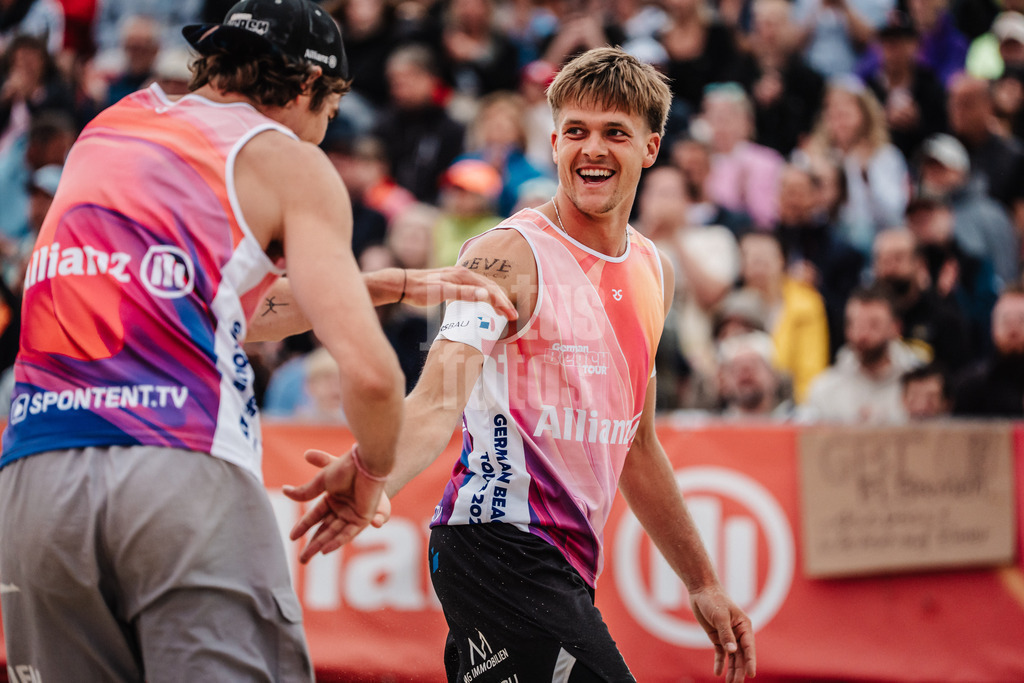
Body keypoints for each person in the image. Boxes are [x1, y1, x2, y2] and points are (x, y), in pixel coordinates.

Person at [0, 1, 515, 680]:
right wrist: (369, 475)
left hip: (32, 477)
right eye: (328, 115)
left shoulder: (110, 127)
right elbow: (372, 376)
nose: (323, 136)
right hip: (178, 462)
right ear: (306, 86)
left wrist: (385, 283)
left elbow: (217, 309)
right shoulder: (285, 161)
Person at [287, 46, 756, 683]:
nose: (593, 149)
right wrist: (375, 472)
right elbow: (438, 398)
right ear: (555, 141)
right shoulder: (508, 254)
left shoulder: (653, 269)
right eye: (576, 133)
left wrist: (702, 581)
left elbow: (636, 444)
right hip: (496, 541)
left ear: (650, 146)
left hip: (561, 563)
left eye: (615, 133)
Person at [804, 283, 924, 423]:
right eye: (855, 324)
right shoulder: (825, 390)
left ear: (895, 328)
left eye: (874, 325)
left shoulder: (919, 383)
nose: (862, 335)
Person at [952, 285, 1024, 417]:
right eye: (1006, 321)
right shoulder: (970, 386)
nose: (1013, 330)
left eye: (1021, 321)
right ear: (993, 327)